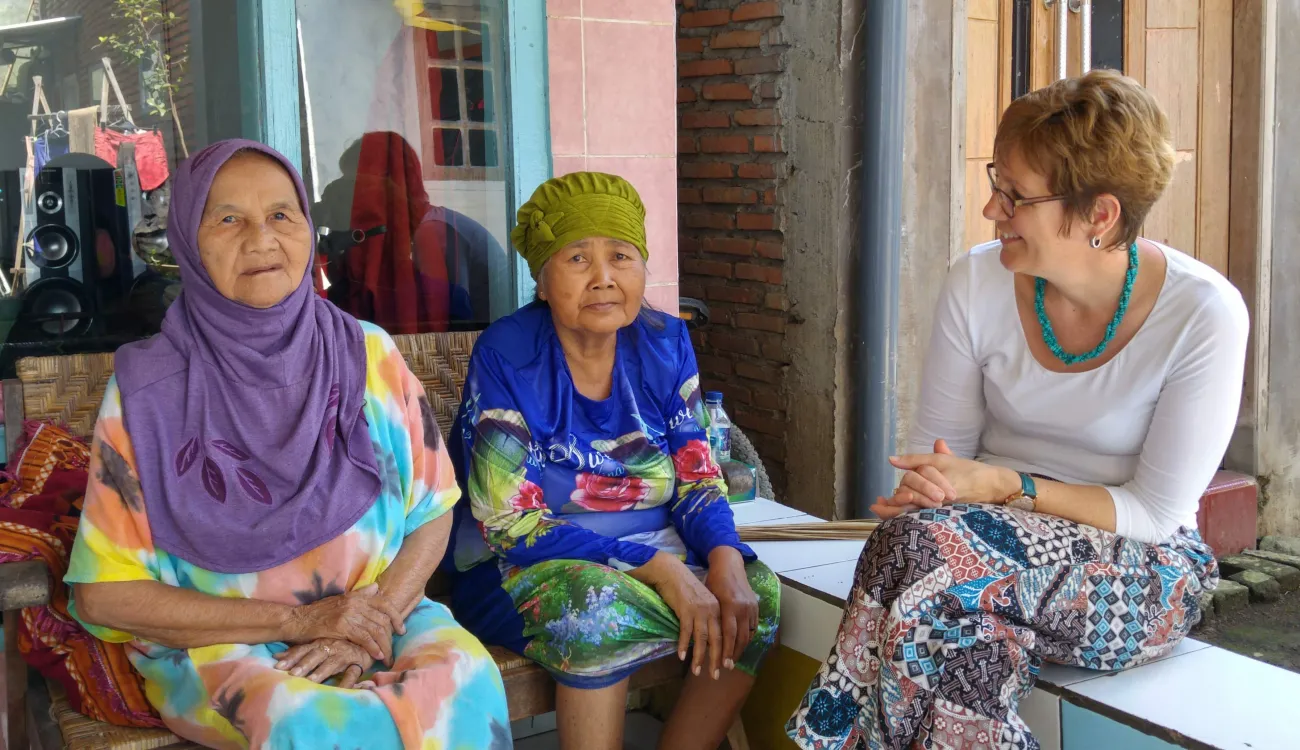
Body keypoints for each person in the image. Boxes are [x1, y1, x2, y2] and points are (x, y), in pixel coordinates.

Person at [787, 70, 1249, 749]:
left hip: (1141, 571)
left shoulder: (1202, 313)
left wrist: (1007, 486)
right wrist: (940, 484)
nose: (991, 211)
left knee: (919, 556)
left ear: (1101, 215)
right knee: (940, 601)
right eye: (994, 183)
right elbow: (940, 455)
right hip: (966, 558)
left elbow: (1154, 513)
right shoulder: (976, 280)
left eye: (1015, 196)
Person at [64, 139, 510, 749]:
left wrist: (362, 625)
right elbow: (104, 593)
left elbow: (433, 514)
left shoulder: (368, 353)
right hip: (224, 644)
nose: (261, 238)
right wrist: (297, 621)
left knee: (468, 682)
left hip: (377, 615)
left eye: (281, 214)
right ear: (190, 244)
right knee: (312, 724)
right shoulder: (148, 390)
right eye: (227, 219)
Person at [446, 172, 780, 750]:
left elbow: (698, 477)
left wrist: (723, 557)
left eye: (621, 256)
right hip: (517, 564)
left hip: (652, 547)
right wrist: (660, 571)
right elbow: (506, 524)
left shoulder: (666, 343)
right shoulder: (508, 353)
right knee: (597, 607)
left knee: (755, 594)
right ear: (544, 280)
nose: (603, 278)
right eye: (577, 258)